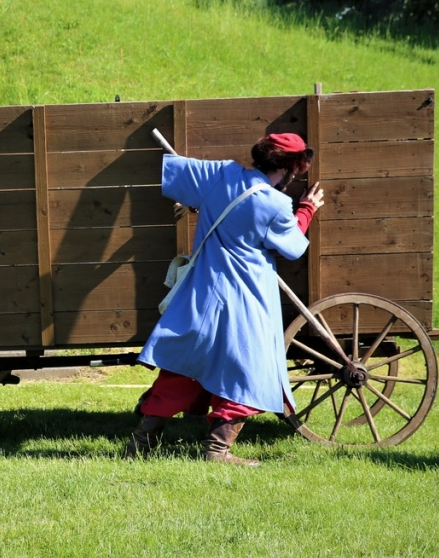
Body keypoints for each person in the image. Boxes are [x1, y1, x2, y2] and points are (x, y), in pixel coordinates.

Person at [127, 133, 325, 465]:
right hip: (244, 299)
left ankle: (140, 444)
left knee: (183, 368)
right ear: (293, 167)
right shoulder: (275, 205)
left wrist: (204, 201)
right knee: (249, 370)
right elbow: (290, 245)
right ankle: (217, 450)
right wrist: (307, 209)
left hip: (201, 293)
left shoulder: (221, 174)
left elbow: (176, 176)